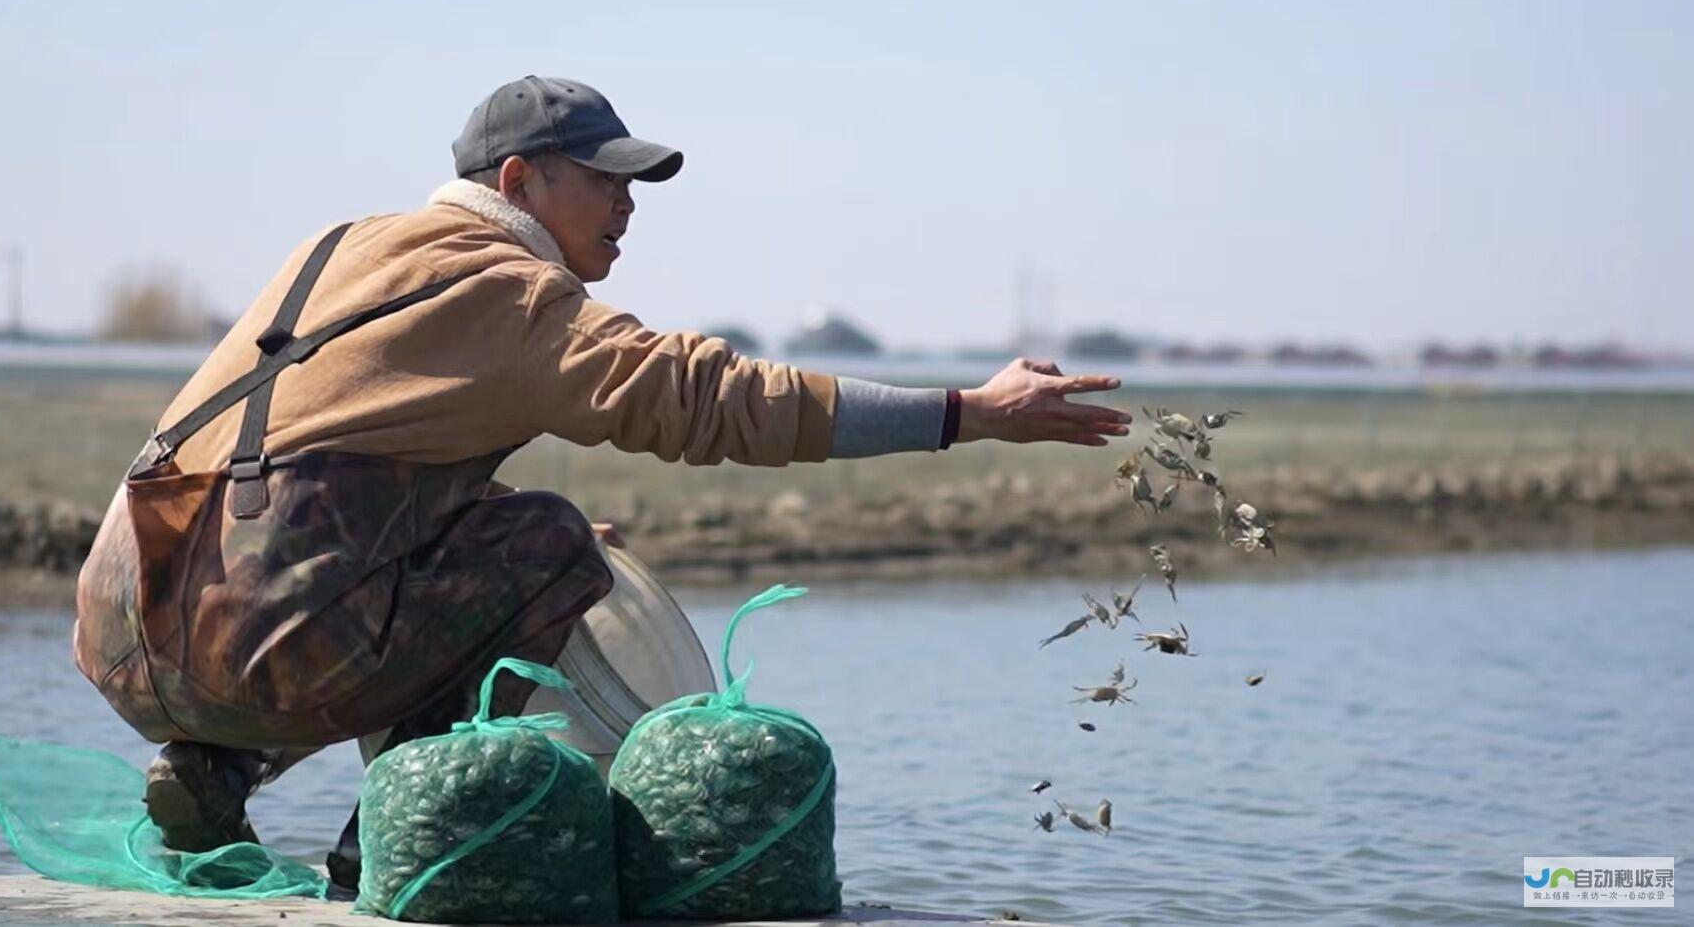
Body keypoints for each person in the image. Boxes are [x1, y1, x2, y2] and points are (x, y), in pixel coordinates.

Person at [72, 75, 1133, 887]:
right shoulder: (512, 289)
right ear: (518, 184)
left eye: (632, 180)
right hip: (263, 630)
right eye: (604, 176)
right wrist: (965, 414)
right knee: (551, 542)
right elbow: (710, 398)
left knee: (499, 541)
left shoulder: (344, 244)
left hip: (125, 611)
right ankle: (388, 845)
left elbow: (322, 455)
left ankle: (214, 774)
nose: (627, 201)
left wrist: (472, 527)